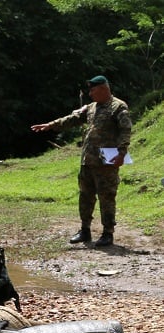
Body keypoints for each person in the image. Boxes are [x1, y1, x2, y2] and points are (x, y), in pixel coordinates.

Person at [31, 75, 132, 247]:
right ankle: (85, 230)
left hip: (106, 161)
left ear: (103, 89)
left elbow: (125, 130)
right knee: (85, 197)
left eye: (93, 90)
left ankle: (108, 233)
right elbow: (72, 120)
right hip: (88, 160)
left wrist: (122, 153)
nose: (90, 94)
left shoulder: (118, 107)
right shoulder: (92, 107)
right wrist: (50, 125)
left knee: (106, 197)